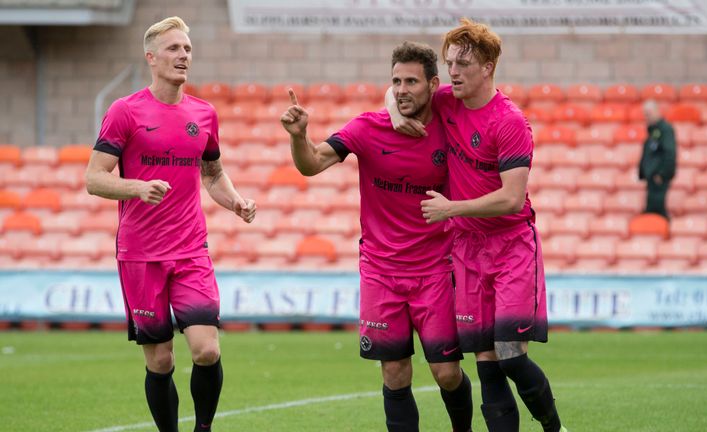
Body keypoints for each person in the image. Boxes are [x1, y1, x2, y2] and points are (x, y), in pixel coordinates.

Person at [280, 41, 473, 432]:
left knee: (446, 372)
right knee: (395, 372)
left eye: (412, 82)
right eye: (396, 81)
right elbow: (312, 165)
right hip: (381, 272)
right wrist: (299, 137)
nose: (402, 89)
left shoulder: (451, 123)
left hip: (436, 270)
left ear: (434, 85)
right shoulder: (368, 126)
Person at [386, 19, 566, 432]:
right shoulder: (448, 101)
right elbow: (399, 91)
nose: (453, 71)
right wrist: (396, 112)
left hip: (510, 245)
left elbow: (511, 198)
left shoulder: (509, 122)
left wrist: (452, 209)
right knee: (485, 361)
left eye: (463, 63)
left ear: (488, 66)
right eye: (449, 62)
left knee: (511, 354)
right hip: (467, 250)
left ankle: (555, 427)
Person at [84, 16, 256, 432]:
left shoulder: (204, 114)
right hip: (140, 255)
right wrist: (136, 188)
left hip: (190, 250)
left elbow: (212, 174)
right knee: (160, 360)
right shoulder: (125, 111)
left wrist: (235, 202)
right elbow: (94, 178)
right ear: (151, 57)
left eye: (188, 49)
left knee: (206, 350)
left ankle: (203, 428)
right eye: (174, 49)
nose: (183, 56)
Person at [639, 99, 677, 219]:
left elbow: (670, 153)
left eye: (649, 113)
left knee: (657, 209)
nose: (647, 117)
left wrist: (662, 173)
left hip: (658, 177)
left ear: (656, 111)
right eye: (645, 114)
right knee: (651, 207)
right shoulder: (653, 130)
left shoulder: (665, 129)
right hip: (651, 176)